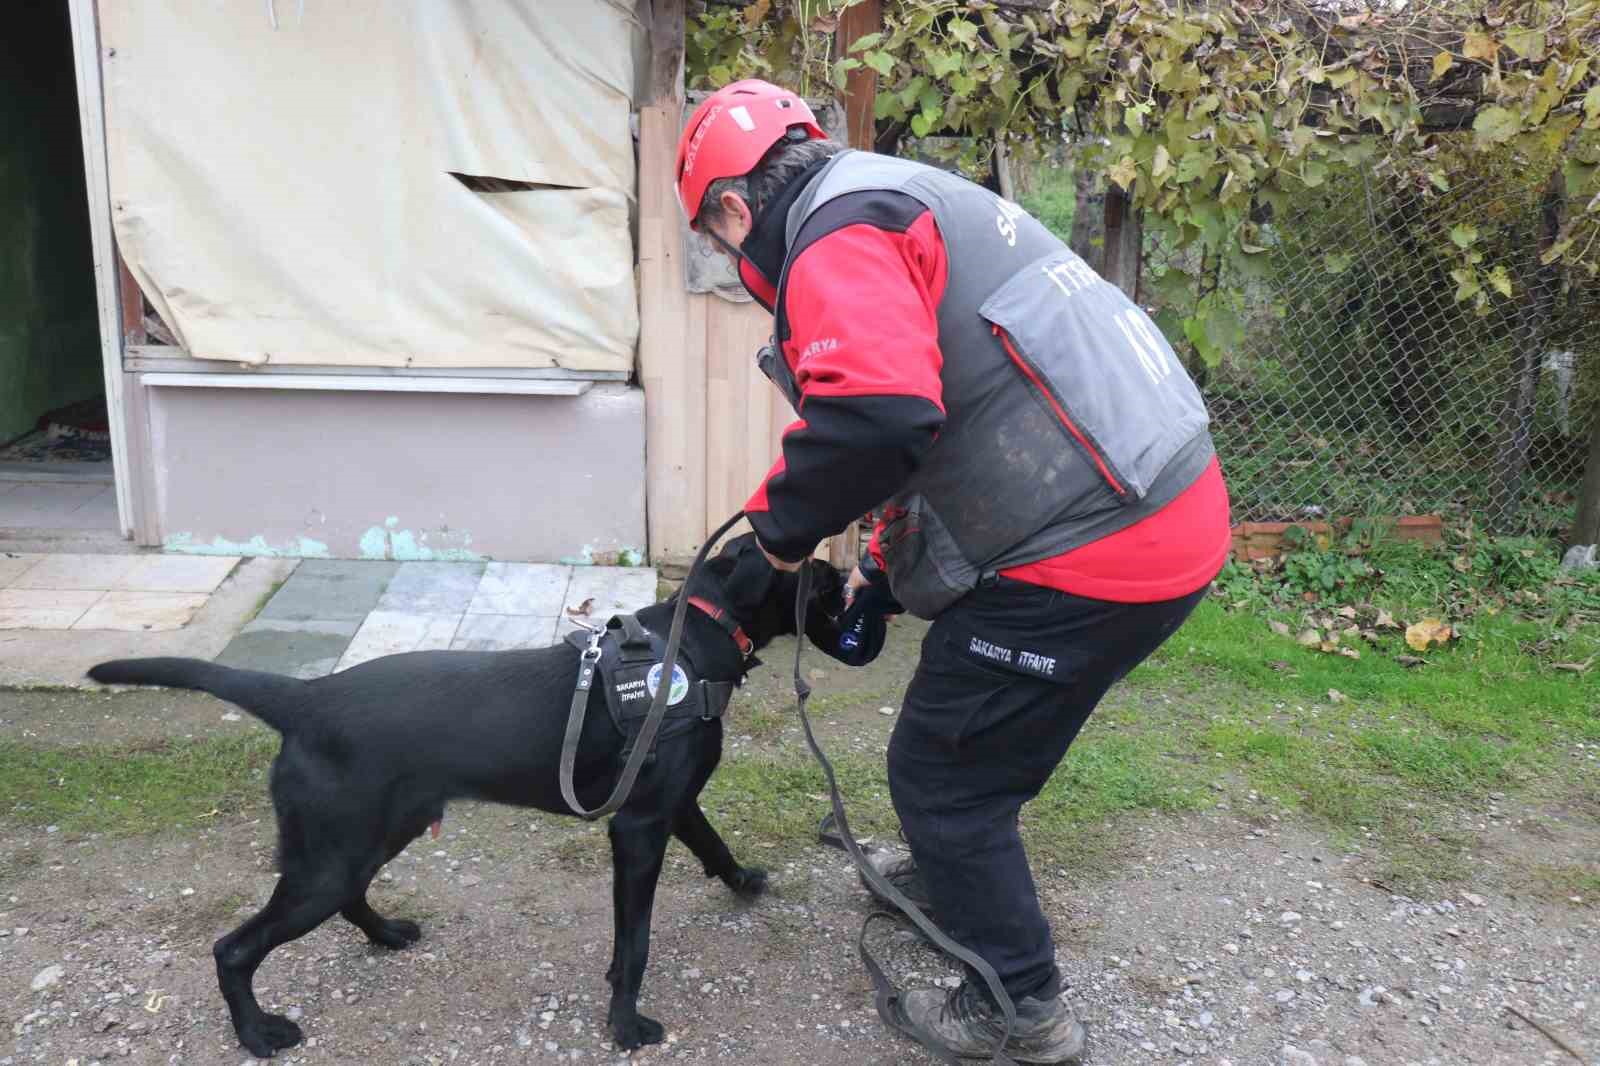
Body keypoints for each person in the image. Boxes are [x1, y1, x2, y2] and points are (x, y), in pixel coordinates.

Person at [674, 79, 1232, 1064]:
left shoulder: (831, 236)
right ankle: (952, 870)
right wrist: (884, 579)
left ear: (729, 208)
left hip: (1100, 541)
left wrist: (776, 536)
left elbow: (878, 419)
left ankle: (1021, 1010)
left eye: (720, 243)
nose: (733, 262)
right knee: (979, 734)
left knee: (943, 776)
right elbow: (947, 422)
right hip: (1157, 503)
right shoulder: (888, 193)